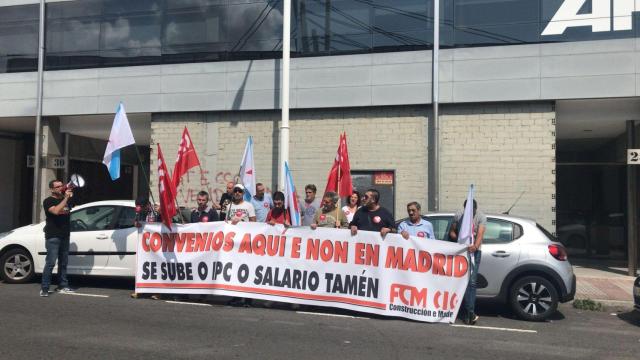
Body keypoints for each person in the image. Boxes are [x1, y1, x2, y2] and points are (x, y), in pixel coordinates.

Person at [448, 199, 486, 325]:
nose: (469, 213)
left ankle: (469, 312)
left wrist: (475, 246)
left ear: (476, 208)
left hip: (474, 252)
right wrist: (457, 238)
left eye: (471, 210)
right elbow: (452, 231)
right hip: (461, 251)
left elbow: (480, 234)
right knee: (458, 281)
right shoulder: (459, 215)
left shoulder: (481, 216)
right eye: (467, 210)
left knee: (471, 282)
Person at [40, 179, 75, 297]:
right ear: (52, 189)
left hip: (65, 235)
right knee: (50, 262)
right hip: (53, 236)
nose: (61, 188)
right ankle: (45, 288)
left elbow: (72, 207)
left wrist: (69, 196)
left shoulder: (64, 199)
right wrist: (65, 198)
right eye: (58, 187)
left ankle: (63, 285)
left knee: (64, 262)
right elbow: (55, 211)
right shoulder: (48, 201)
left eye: (61, 186)